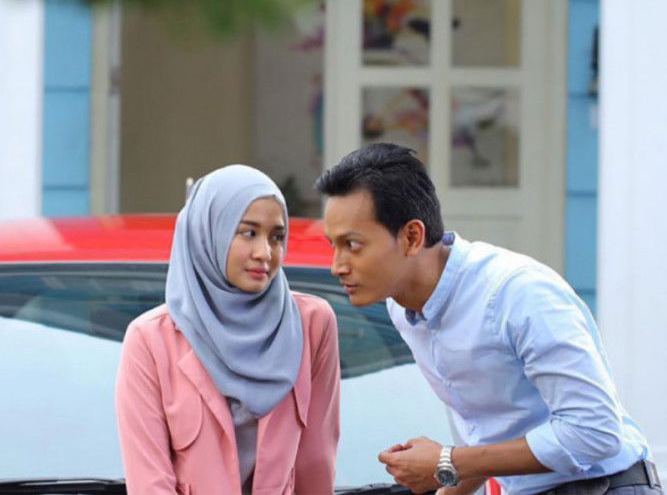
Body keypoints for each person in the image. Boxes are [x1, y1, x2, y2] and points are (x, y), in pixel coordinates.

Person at [315, 143, 660, 495]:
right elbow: (487, 437)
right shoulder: (402, 307)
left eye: (352, 245)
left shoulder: (518, 293)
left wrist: (448, 462)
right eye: (333, 245)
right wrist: (449, 472)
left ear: (412, 237)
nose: (337, 266)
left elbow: (595, 432)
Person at [116, 165, 340, 494]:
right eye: (248, 233)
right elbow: (150, 483)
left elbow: (316, 465)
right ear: (209, 234)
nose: (265, 253)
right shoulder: (150, 340)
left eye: (276, 237)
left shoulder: (313, 325)